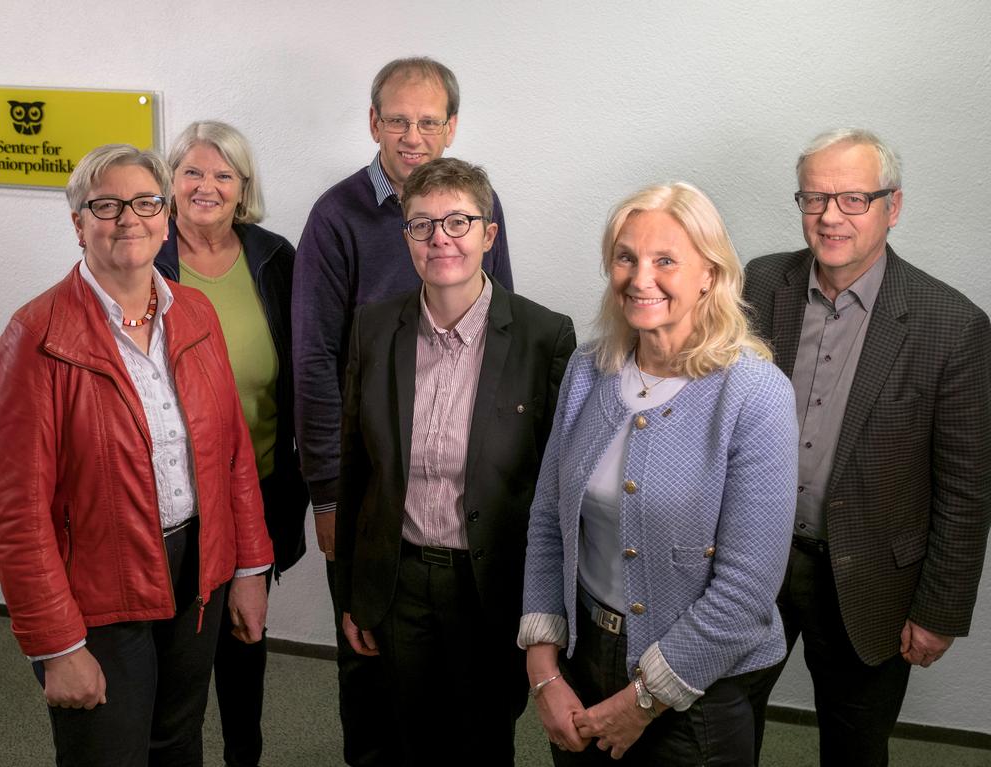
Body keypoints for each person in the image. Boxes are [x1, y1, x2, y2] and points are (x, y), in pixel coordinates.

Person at [0, 144, 273, 766]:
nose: (127, 219)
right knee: (107, 754)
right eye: (106, 205)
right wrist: (56, 645)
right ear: (78, 222)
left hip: (198, 572)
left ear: (165, 217)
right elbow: (15, 516)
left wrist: (248, 571)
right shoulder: (35, 337)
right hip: (98, 585)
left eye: (144, 202)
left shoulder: (195, 313)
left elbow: (234, 460)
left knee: (176, 744)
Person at [520, 183, 799, 765]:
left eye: (665, 260)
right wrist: (543, 665)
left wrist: (643, 700)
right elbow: (549, 520)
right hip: (583, 657)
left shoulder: (755, 394)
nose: (640, 277)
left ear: (710, 274)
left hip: (701, 688)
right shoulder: (587, 371)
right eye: (626, 257)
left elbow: (747, 590)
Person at [743, 128, 991, 766]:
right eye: (814, 198)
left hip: (871, 577)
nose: (830, 217)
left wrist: (940, 610)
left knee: (855, 747)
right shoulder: (762, 281)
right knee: (722, 726)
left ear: (893, 207)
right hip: (752, 559)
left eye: (854, 199)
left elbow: (967, 490)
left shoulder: (952, 326)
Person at [292, 56, 513, 765]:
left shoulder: (481, 204)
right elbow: (313, 362)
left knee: (467, 678)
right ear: (373, 123)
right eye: (397, 119)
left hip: (455, 491)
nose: (412, 136)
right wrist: (327, 490)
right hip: (369, 485)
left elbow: (499, 337)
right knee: (370, 666)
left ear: (451, 126)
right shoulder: (337, 217)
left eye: (427, 121)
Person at [336, 157, 574, 766]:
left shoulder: (545, 337)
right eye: (423, 225)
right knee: (406, 737)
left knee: (483, 742)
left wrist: (548, 612)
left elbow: (555, 492)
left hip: (490, 585)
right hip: (401, 577)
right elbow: (357, 469)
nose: (441, 237)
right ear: (407, 239)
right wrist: (355, 595)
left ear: (489, 235)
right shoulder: (373, 327)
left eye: (458, 221)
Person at [154, 120, 309, 767]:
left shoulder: (276, 257)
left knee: (243, 638)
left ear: (244, 188)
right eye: (192, 171)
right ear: (170, 180)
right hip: (167, 494)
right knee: (169, 646)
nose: (206, 186)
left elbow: (308, 363)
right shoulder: (145, 248)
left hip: (259, 485)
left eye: (223, 174)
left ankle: (244, 753)